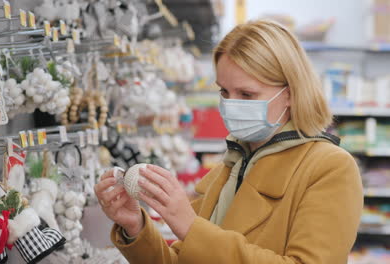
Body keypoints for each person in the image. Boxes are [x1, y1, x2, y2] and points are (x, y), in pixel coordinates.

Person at [94, 20, 363, 263]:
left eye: (247, 93)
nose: (232, 105)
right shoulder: (231, 166)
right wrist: (136, 227)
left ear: (291, 93)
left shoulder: (329, 168)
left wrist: (190, 226)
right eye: (225, 91)